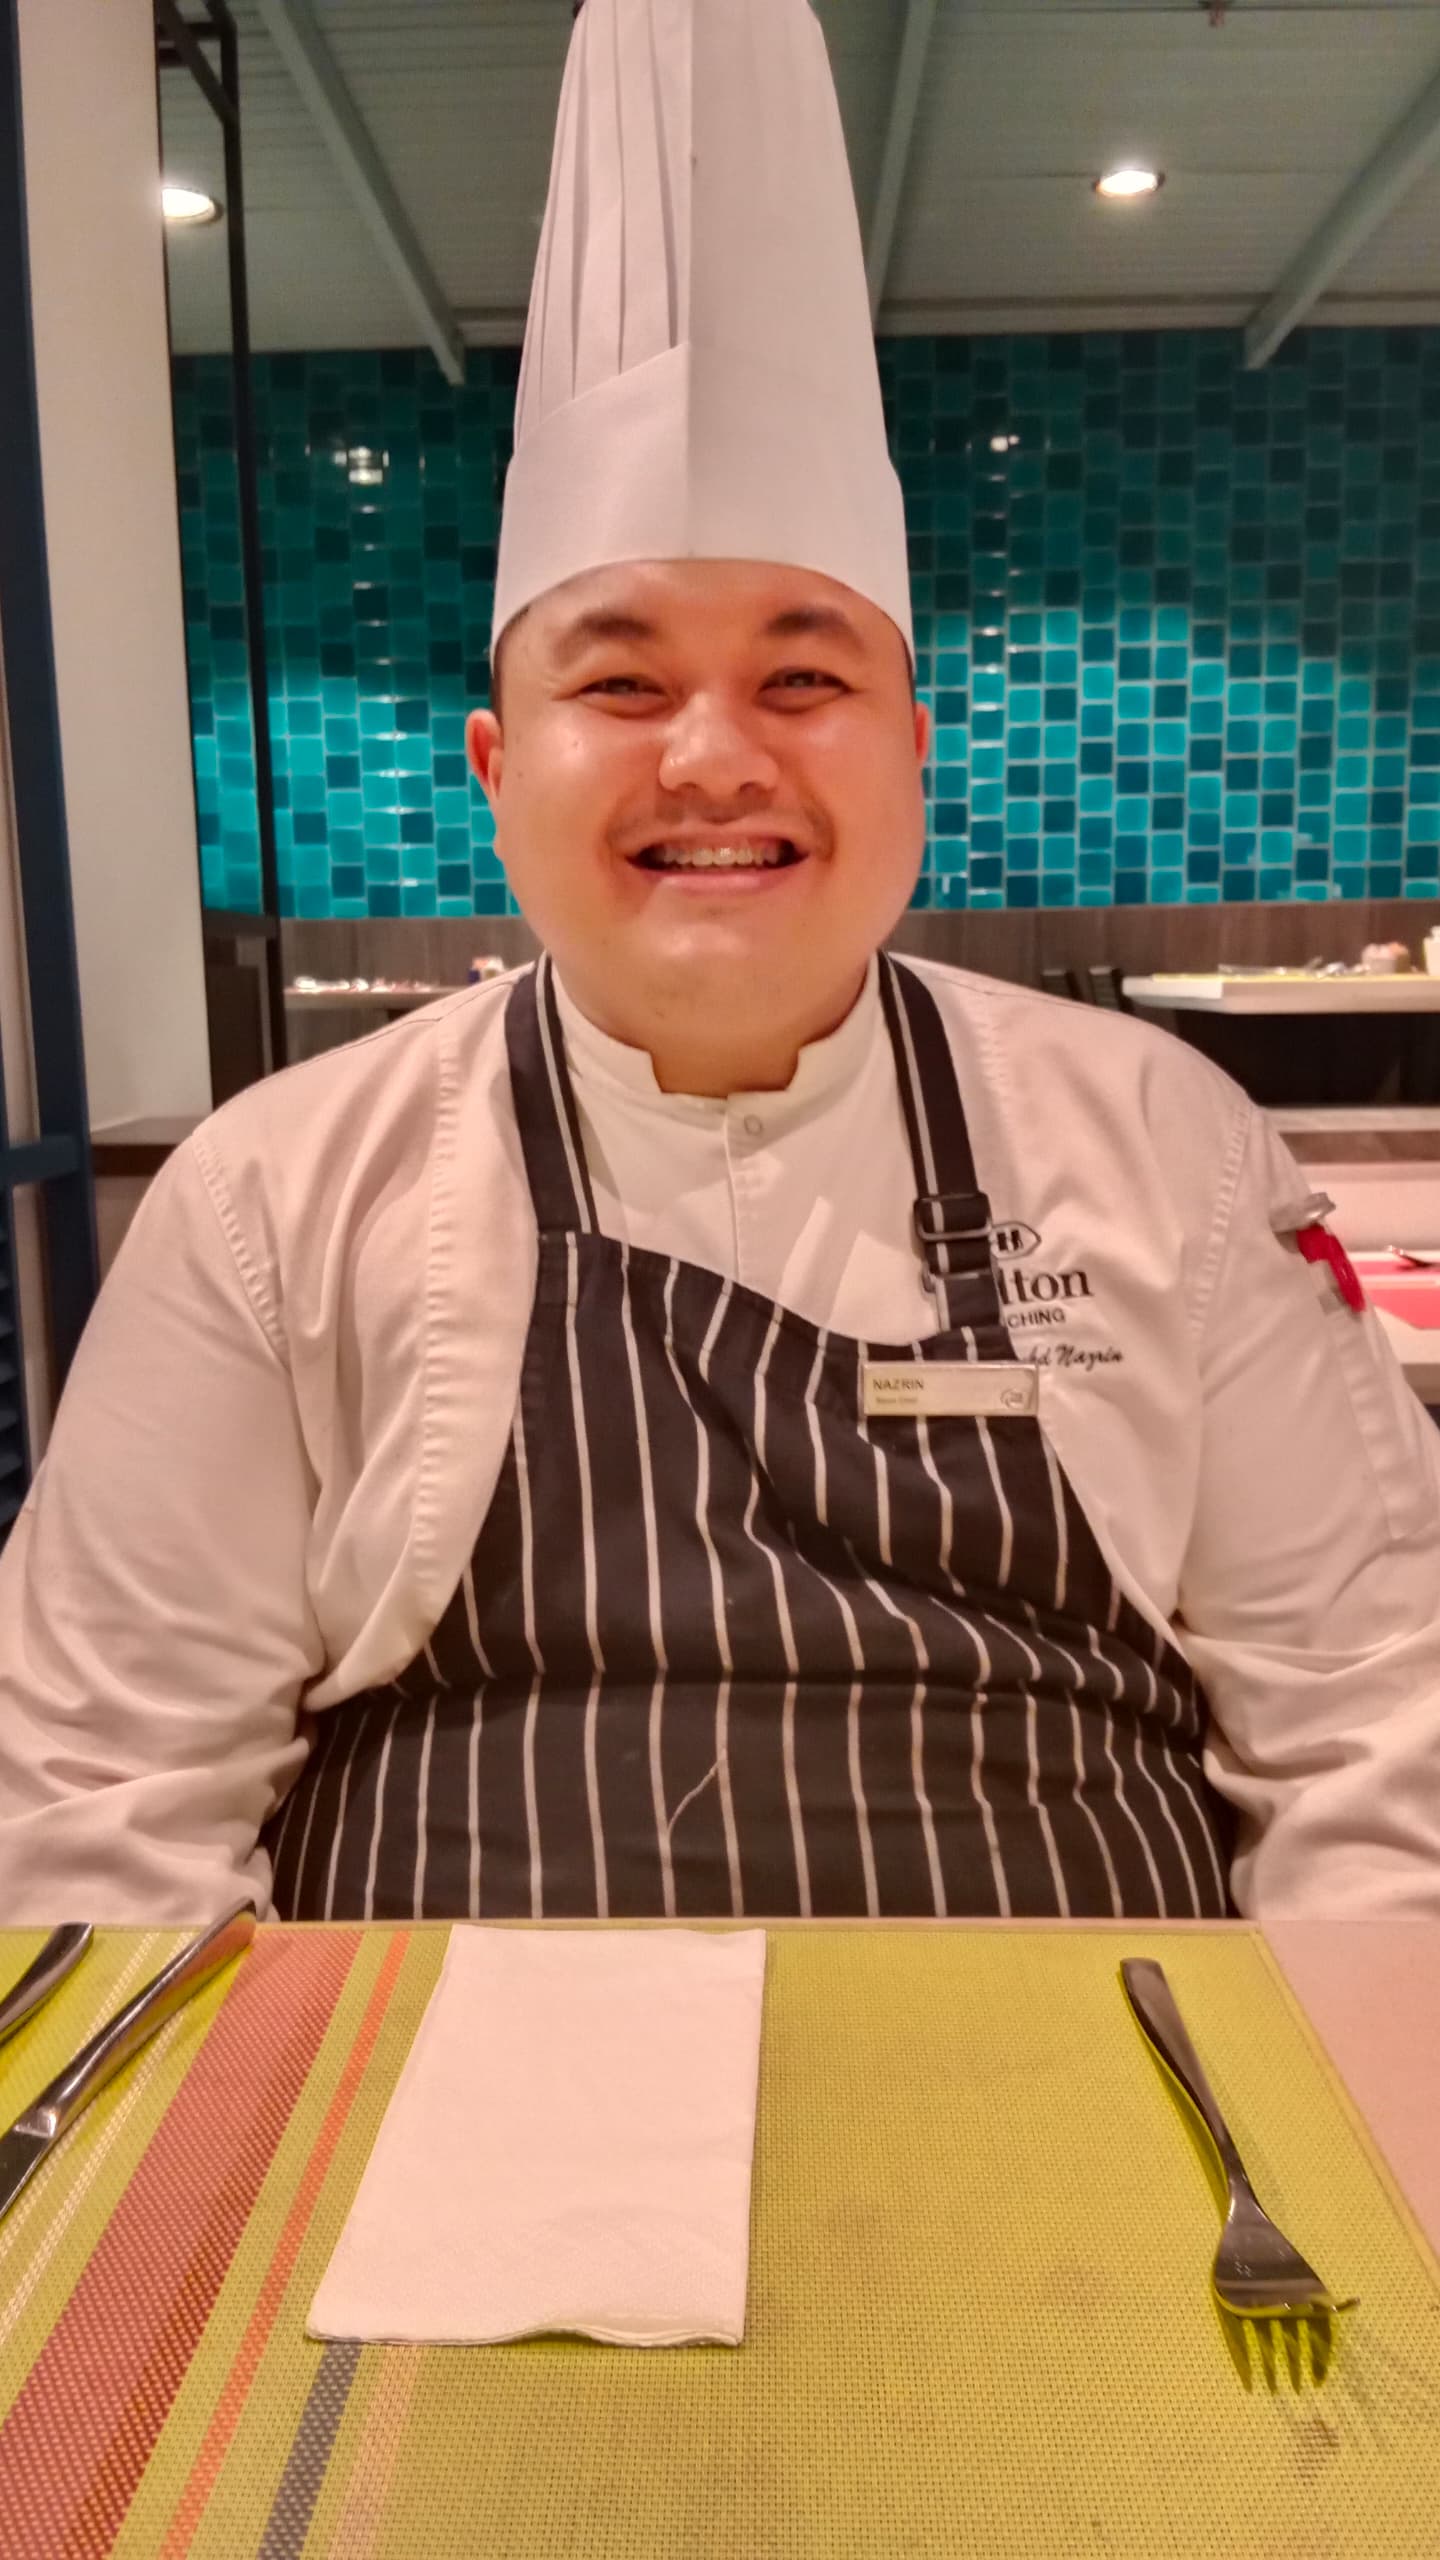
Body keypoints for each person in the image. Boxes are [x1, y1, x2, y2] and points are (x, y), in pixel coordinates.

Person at [0, 0, 1437, 1926]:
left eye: (802, 677)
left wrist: (1332, 2087)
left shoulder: (1168, 1144)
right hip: (434, 2077)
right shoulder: (266, 1197)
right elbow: (98, 1806)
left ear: (911, 753)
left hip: (1133, 2076)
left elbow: (1381, 1731)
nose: (711, 758)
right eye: (619, 682)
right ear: (497, 769)